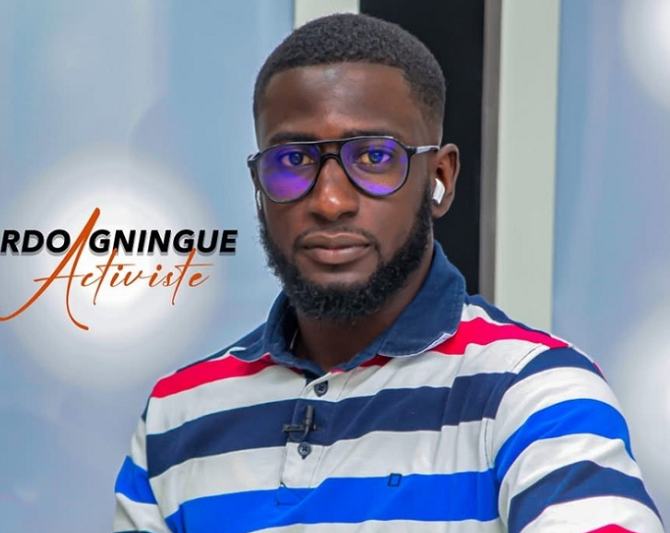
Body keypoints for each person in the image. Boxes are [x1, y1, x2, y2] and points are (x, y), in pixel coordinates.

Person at [112, 13, 664, 533]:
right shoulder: (177, 418)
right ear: (259, 186)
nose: (329, 201)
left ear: (440, 177)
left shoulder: (534, 395)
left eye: (374, 157)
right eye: (294, 160)